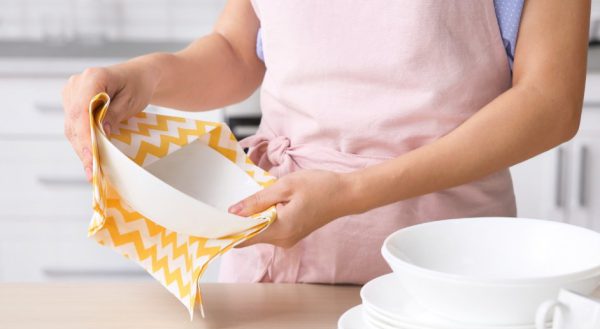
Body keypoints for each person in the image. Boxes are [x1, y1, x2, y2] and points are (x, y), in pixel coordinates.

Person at [63, 0, 590, 284]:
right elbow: (236, 51)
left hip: (445, 264)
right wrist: (144, 76)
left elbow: (549, 102)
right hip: (278, 255)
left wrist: (351, 193)